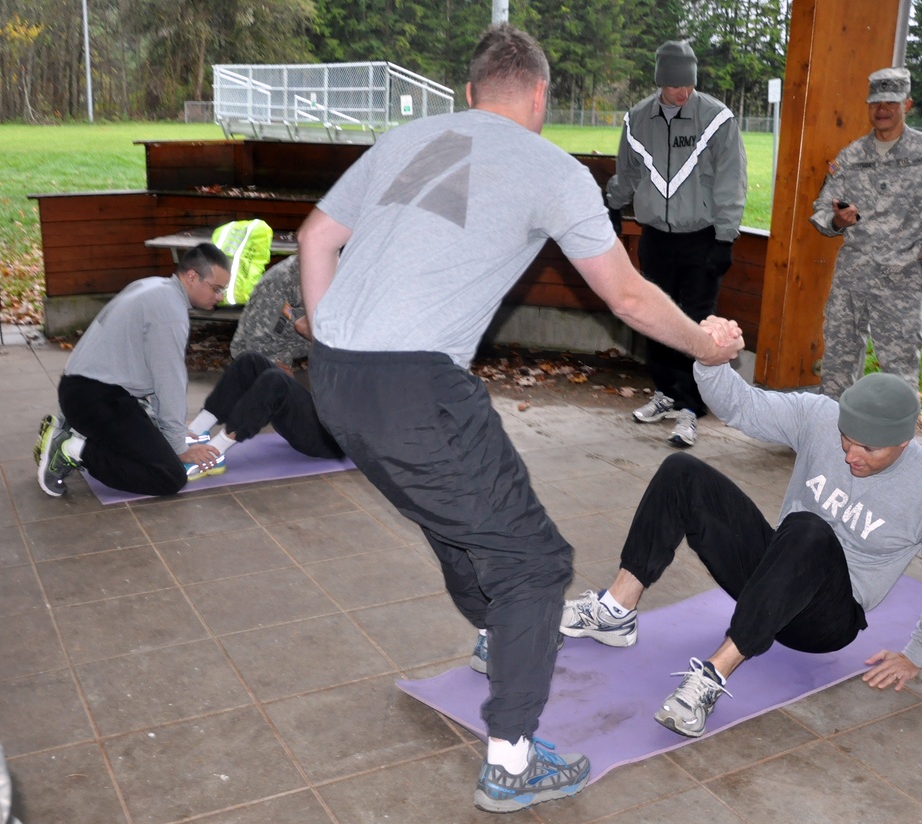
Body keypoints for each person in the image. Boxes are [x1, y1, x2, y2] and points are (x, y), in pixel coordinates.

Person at [297, 24, 743, 814]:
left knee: (460, 520)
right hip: (417, 388)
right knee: (536, 563)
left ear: (470, 94)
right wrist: (705, 340)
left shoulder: (409, 136)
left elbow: (315, 238)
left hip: (334, 379)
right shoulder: (551, 167)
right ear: (540, 96)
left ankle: (498, 638)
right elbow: (629, 297)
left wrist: (337, 341)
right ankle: (510, 759)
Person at [561, 350, 922, 740]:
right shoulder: (819, 417)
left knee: (809, 530)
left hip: (826, 619)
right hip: (773, 580)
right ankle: (615, 611)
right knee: (681, 471)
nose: (852, 455)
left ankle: (711, 677)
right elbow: (742, 406)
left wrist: (916, 654)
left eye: (869, 449)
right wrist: (710, 361)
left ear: (903, 443)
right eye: (847, 440)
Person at [606, 40, 747, 448]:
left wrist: (725, 237)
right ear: (659, 82)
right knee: (656, 318)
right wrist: (613, 203)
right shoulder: (637, 120)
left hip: (702, 239)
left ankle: (689, 408)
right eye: (674, 85)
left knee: (696, 322)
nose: (682, 92)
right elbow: (628, 172)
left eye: (688, 83)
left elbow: (730, 181)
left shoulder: (717, 119)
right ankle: (666, 393)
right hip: (657, 240)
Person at [811, 67, 922, 400]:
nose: (882, 109)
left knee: (900, 370)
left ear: (908, 104)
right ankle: (830, 438)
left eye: (892, 101)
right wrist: (838, 222)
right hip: (852, 277)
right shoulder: (852, 156)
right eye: (876, 102)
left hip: (901, 278)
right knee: (837, 367)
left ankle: (897, 448)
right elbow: (821, 212)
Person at [35, 243, 231, 497]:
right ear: (193, 276)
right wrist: (179, 447)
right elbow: (169, 385)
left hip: (82, 392)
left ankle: (68, 427)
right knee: (169, 476)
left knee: (151, 439)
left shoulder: (152, 286)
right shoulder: (169, 312)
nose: (221, 297)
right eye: (217, 289)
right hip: (97, 399)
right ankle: (72, 449)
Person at [184, 351, 345, 480]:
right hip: (321, 414)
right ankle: (196, 432)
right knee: (250, 361)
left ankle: (213, 455)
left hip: (332, 439)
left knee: (276, 381)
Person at [230, 254, 311, 371]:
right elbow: (259, 340)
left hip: (282, 340)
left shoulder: (328, 269)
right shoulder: (283, 280)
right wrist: (279, 374)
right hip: (259, 350)